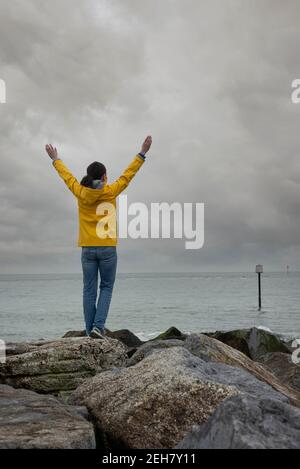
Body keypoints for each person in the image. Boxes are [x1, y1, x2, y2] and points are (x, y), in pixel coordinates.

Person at [45, 136, 152, 339]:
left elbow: (66, 177)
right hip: (107, 249)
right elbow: (128, 175)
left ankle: (89, 331)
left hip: (87, 248)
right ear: (104, 176)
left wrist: (55, 159)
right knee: (106, 287)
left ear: (88, 175)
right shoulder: (110, 191)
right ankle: (98, 327)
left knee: (88, 291)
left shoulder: (80, 192)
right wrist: (142, 153)